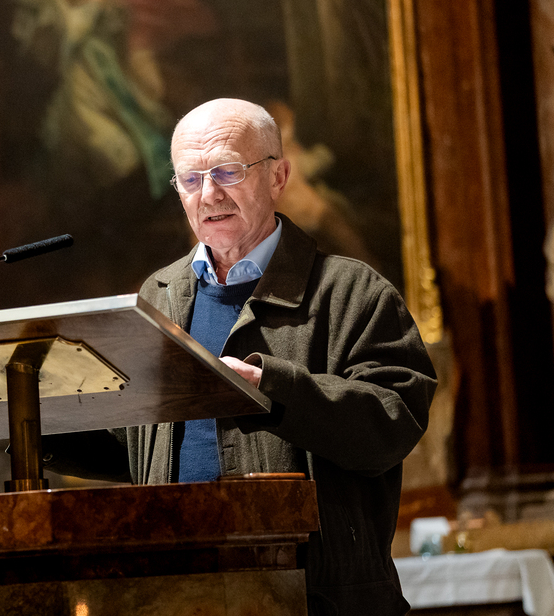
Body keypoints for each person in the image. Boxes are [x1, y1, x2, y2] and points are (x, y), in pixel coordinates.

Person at [43, 98, 436, 614]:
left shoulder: (352, 292)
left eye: (228, 171)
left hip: (316, 600)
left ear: (278, 177)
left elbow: (392, 421)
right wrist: (32, 417)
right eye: (190, 179)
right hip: (176, 597)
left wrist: (270, 387)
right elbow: (138, 446)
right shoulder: (157, 297)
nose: (209, 194)